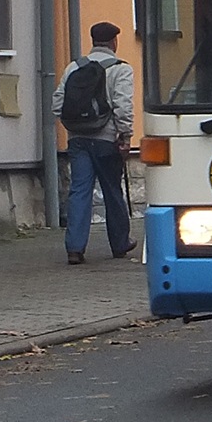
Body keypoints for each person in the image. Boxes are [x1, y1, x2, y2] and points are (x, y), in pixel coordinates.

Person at [52, 21, 138, 265]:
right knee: (112, 190)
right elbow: (123, 105)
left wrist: (73, 127)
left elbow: (57, 104)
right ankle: (120, 243)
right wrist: (125, 135)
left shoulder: (73, 67)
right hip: (106, 139)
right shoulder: (121, 69)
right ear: (114, 42)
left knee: (79, 191)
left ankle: (75, 248)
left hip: (78, 139)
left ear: (92, 41)